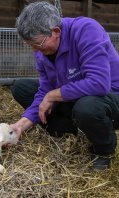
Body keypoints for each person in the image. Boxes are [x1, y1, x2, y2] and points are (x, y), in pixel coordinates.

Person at [10, 1, 119, 170]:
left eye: (37, 44)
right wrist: (21, 125)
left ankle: (104, 149)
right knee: (21, 87)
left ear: (56, 32)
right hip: (76, 97)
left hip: (109, 98)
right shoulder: (43, 52)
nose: (35, 51)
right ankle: (74, 128)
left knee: (87, 107)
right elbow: (44, 90)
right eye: (30, 46)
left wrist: (52, 95)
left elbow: (99, 83)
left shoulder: (86, 30)